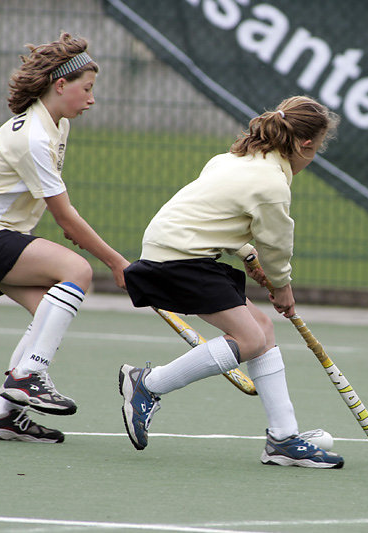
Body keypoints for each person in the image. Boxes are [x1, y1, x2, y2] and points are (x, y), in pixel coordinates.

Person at [119, 96, 344, 469]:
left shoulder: (232, 160)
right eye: (317, 149)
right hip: (179, 259)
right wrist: (282, 287)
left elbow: (215, 214)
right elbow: (276, 244)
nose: (314, 156)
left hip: (181, 251)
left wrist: (246, 254)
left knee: (262, 329)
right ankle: (148, 383)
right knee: (250, 339)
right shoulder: (272, 184)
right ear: (305, 145)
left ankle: (283, 438)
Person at [0, 33, 129, 443]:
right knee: (77, 270)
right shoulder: (33, 136)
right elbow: (65, 218)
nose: (92, 99)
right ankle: (28, 376)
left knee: (48, 314)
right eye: (87, 88)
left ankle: (2, 416)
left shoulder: (56, 124)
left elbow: (54, 209)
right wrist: (117, 262)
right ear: (60, 85)